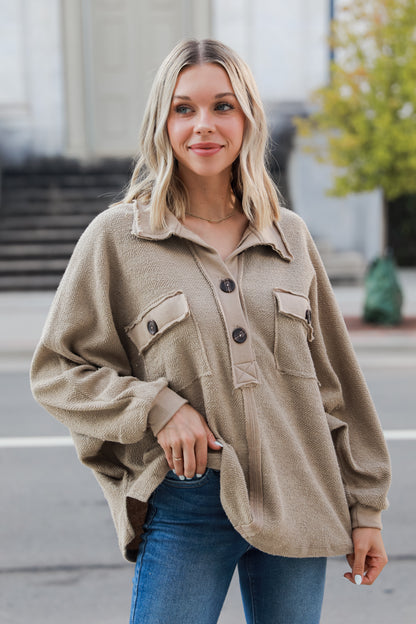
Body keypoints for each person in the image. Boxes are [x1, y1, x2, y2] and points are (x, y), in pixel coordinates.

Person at [30, 39, 391, 624]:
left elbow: (338, 386)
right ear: (162, 122)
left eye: (223, 106)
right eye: (184, 108)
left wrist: (366, 508)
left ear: (247, 118)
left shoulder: (289, 236)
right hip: (191, 498)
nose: (204, 125)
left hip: (301, 491)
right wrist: (157, 406)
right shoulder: (118, 238)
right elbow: (57, 371)